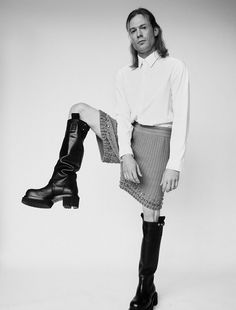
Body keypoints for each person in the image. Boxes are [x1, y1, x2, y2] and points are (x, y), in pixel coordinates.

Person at [22, 7, 190, 310]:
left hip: (158, 143)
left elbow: (182, 117)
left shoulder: (174, 67)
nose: (138, 34)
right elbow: (124, 119)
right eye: (132, 30)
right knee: (78, 109)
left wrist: (174, 163)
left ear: (154, 30)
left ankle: (146, 288)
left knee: (150, 214)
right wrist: (125, 154)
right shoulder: (124, 74)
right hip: (132, 137)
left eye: (143, 28)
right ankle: (63, 181)